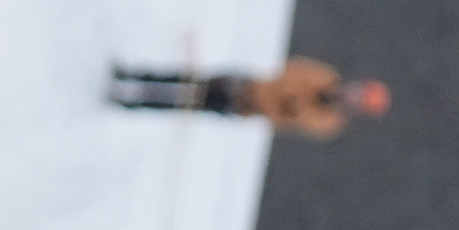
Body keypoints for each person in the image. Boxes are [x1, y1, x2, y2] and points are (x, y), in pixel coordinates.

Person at [107, 59, 390, 139]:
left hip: (243, 105)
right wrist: (292, 99)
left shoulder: (328, 122)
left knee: (185, 103)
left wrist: (292, 103)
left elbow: (292, 118)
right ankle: (134, 76)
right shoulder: (325, 75)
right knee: (187, 80)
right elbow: (291, 71)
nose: (352, 96)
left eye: (358, 100)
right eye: (358, 92)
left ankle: (133, 102)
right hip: (247, 85)